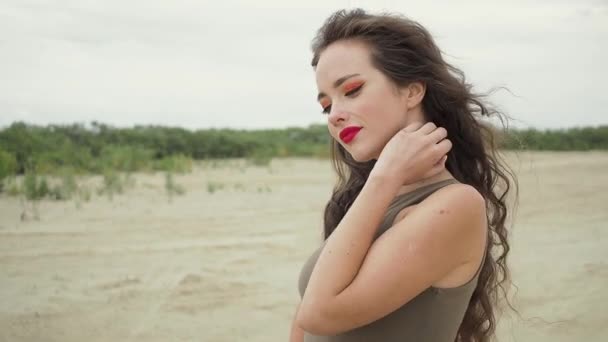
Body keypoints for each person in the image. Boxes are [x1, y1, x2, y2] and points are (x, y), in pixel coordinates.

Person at [289, 8, 517, 342]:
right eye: (326, 105)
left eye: (351, 90)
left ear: (412, 91)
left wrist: (384, 177)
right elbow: (302, 324)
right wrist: (382, 182)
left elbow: (320, 314)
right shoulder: (371, 198)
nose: (335, 115)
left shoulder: (455, 205)